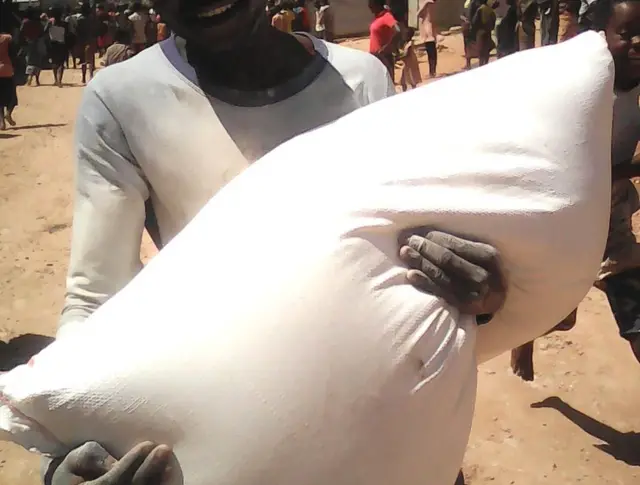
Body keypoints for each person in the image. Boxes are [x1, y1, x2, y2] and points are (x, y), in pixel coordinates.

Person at [45, 0, 508, 476]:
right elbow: (96, 295)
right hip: (243, 426)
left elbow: (423, 244)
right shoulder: (123, 100)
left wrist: (478, 292)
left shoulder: (361, 81)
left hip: (384, 417)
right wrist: (64, 447)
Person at [511, 0, 640, 380]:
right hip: (563, 220)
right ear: (601, 37)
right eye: (626, 33)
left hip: (609, 221)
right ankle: (527, 336)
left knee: (636, 313)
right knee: (558, 317)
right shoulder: (581, 87)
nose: (637, 43)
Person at [368, 0, 400, 77]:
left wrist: (388, 46)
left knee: (387, 82)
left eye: (371, 5)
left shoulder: (386, 16)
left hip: (384, 56)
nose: (369, 7)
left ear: (378, 5)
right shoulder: (378, 17)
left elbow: (398, 31)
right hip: (374, 56)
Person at [20, 8, 45, 86]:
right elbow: (42, 32)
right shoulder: (38, 22)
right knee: (38, 61)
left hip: (28, 43)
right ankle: (37, 80)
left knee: (29, 61)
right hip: (38, 42)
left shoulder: (25, 22)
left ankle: (30, 78)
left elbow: (21, 32)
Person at [75, 3, 98, 84]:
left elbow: (77, 30)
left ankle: (84, 78)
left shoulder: (80, 19)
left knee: (83, 60)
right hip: (91, 39)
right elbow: (95, 28)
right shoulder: (92, 18)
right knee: (91, 59)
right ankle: (91, 76)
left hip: (82, 40)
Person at [0, 29, 17, 129]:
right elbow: (12, 53)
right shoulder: (7, 38)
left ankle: (1, 122)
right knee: (12, 96)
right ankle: (8, 113)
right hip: (6, 69)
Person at [472, 0, 496, 66]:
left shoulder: (480, 9)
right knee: (486, 50)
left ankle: (481, 65)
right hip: (488, 32)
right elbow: (493, 19)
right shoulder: (490, 10)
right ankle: (486, 64)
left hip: (481, 32)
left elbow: (474, 21)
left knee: (481, 50)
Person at [397, 25, 421, 90]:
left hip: (410, 64)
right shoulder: (406, 43)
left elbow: (406, 54)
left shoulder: (409, 44)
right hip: (407, 64)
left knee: (411, 78)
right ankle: (404, 89)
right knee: (404, 79)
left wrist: (398, 57)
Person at [418, 0, 438, 78]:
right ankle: (432, 72)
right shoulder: (431, 3)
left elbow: (418, 14)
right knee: (431, 52)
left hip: (427, 29)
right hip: (430, 28)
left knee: (431, 52)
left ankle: (432, 72)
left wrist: (424, 4)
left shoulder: (427, 3)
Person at [48, 8, 68, 87]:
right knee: (61, 63)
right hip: (61, 44)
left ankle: (56, 80)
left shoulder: (50, 23)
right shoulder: (64, 24)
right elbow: (67, 34)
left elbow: (44, 30)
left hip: (53, 44)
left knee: (54, 62)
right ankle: (59, 80)